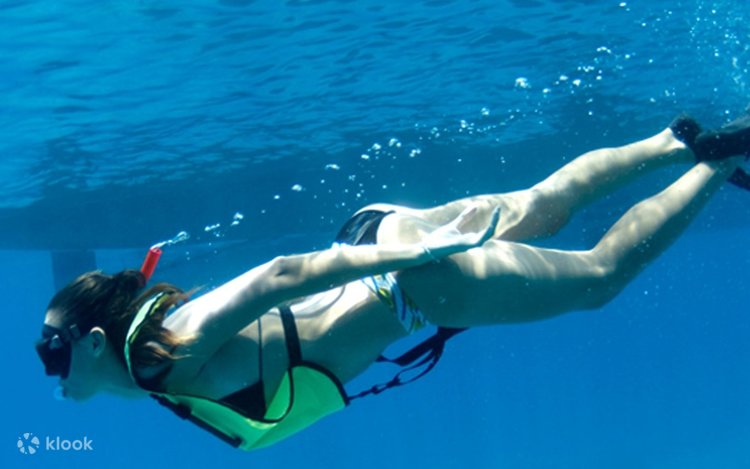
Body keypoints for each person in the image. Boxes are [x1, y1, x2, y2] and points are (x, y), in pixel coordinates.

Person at [36, 111, 750, 451]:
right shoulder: (149, 366)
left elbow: (278, 277)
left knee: (600, 276)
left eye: (53, 351)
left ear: (95, 340)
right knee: (542, 206)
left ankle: (722, 158)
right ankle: (677, 142)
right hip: (378, 238)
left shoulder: (168, 351)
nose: (50, 369)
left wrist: (422, 255)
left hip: (409, 283)